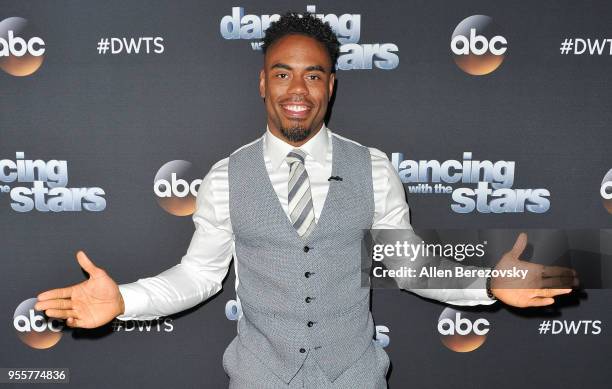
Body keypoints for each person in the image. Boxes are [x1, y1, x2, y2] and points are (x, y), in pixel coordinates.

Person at [35, 13, 577, 388]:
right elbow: (199, 276)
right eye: (283, 73)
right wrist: (124, 301)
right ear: (263, 84)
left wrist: (485, 284)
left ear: (331, 85)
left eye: (313, 74)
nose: (298, 89)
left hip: (356, 379)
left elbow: (407, 265)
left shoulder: (373, 167)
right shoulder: (225, 177)